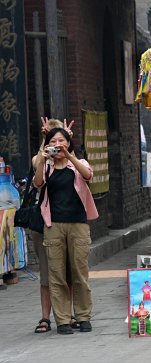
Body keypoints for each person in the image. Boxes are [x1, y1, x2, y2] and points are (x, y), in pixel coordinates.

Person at [34, 127, 99, 335]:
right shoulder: (46, 166)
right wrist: (43, 158)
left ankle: (83, 316)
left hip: (78, 224)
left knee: (80, 273)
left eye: (62, 140)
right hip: (53, 225)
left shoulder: (78, 164)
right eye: (54, 141)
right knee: (57, 274)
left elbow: (88, 175)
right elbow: (37, 183)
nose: (58, 144)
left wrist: (69, 155)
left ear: (69, 143)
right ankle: (62, 319)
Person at [32, 117, 76, 333]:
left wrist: (68, 143)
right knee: (47, 273)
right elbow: (37, 174)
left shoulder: (70, 159)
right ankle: (45, 317)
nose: (56, 142)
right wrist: (44, 146)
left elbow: (81, 173)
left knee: (70, 271)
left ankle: (69, 315)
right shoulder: (41, 159)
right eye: (51, 136)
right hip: (44, 223)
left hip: (68, 222)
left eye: (60, 137)